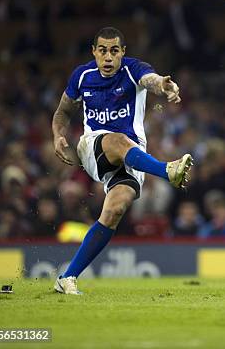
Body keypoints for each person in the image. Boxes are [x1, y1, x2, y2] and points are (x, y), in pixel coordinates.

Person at [51, 26, 193, 294]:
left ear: (122, 53)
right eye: (102, 50)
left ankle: (67, 278)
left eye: (114, 51)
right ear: (94, 52)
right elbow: (62, 112)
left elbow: (151, 79)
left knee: (115, 210)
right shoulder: (82, 76)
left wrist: (163, 84)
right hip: (93, 148)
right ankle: (166, 171)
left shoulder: (133, 69)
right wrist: (58, 135)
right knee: (116, 139)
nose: (108, 57)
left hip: (132, 157)